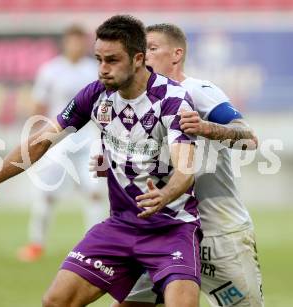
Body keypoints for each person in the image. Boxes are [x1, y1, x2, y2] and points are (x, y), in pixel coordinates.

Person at [0, 15, 201, 306]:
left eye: (112, 60)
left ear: (138, 59)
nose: (103, 69)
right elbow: (42, 139)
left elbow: (186, 168)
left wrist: (165, 195)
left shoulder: (172, 99)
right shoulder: (96, 94)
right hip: (121, 227)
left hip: (171, 229)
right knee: (55, 301)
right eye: (99, 59)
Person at [102, 23, 263, 306]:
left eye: (152, 48)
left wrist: (206, 127)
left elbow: (249, 139)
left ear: (176, 54)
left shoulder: (198, 91)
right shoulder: (143, 100)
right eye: (143, 49)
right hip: (168, 232)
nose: (145, 55)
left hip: (217, 233)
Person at [17, 24, 106, 262]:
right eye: (72, 40)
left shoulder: (94, 70)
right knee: (46, 193)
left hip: (89, 139)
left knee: (95, 194)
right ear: (66, 42)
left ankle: (94, 248)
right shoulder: (51, 70)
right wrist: (36, 136)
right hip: (58, 140)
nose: (76, 45)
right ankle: (36, 244)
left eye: (80, 41)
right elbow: (39, 105)